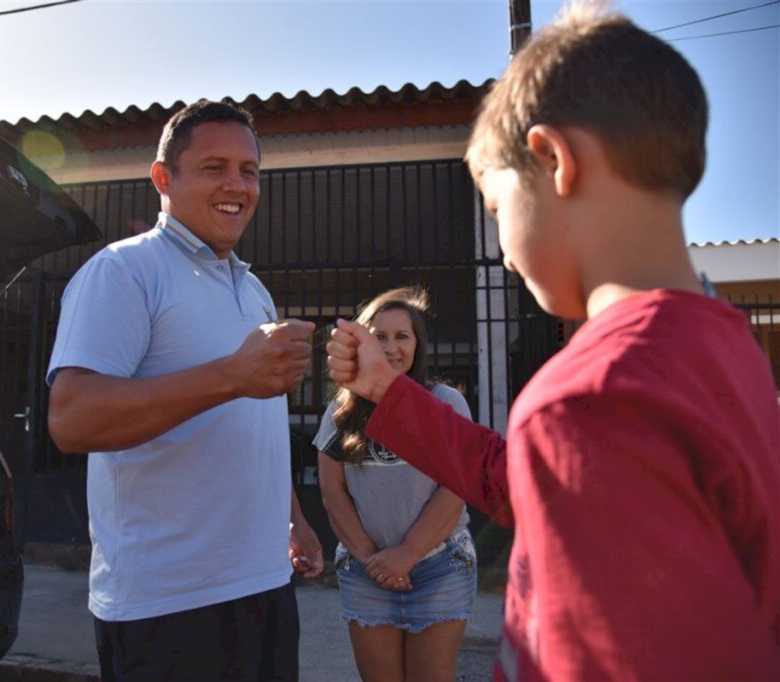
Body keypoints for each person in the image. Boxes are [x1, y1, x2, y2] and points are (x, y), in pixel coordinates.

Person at [325, 4, 780, 681]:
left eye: (497, 208)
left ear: (553, 160)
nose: (506, 253)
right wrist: (387, 391)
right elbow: (517, 480)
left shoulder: (587, 394)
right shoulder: (731, 353)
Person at [46, 99, 324, 681]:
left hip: (266, 584)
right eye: (214, 167)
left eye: (248, 171)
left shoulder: (255, 291)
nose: (237, 185)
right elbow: (72, 420)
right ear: (162, 178)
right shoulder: (123, 270)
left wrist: (293, 519)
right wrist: (231, 375)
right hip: (168, 604)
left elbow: (255, 426)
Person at [313, 286, 476, 682]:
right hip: (366, 571)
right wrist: (374, 561)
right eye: (379, 336)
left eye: (402, 336)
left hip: (440, 566)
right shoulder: (340, 410)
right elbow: (332, 490)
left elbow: (457, 486)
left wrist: (407, 554)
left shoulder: (445, 401)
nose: (390, 347)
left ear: (418, 345)